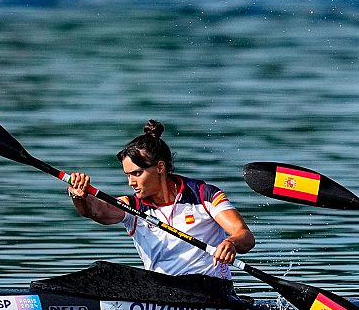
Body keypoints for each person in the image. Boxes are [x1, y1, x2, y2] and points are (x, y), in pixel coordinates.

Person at [66, 120, 255, 288]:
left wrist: (230, 243)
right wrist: (80, 197)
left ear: (160, 167)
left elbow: (245, 236)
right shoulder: (132, 206)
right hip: (163, 294)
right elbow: (97, 212)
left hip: (213, 292)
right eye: (127, 175)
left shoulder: (204, 195)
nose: (131, 182)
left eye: (137, 173)